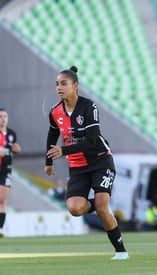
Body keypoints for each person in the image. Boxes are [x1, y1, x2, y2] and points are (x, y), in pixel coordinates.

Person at [44, 66, 128, 260]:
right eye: (57, 84)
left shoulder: (89, 107)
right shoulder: (55, 112)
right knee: (74, 208)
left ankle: (121, 251)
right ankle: (100, 204)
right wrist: (48, 161)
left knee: (101, 207)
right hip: (77, 167)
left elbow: (91, 140)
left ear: (75, 86)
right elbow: (52, 133)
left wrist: (63, 150)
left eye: (63, 83)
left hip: (100, 161)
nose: (59, 87)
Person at [0, 109, 21, 238]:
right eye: (0, 116)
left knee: (2, 199)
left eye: (5, 116)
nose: (3, 119)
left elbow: (14, 149)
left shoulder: (12, 134)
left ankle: (0, 229)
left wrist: (17, 149)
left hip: (6, 169)